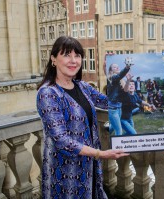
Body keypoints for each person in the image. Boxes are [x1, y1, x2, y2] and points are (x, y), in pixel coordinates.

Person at [36, 36, 129, 199]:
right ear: (53, 59)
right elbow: (61, 140)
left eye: (77, 55)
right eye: (66, 55)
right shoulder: (48, 93)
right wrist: (101, 154)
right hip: (65, 173)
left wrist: (109, 76)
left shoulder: (82, 86)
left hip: (89, 168)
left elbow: (111, 102)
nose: (73, 60)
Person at [106, 59, 133, 136]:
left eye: (118, 67)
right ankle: (117, 147)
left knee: (113, 127)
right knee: (119, 130)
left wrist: (128, 80)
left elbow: (125, 90)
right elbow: (119, 75)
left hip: (119, 107)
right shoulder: (112, 78)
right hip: (112, 109)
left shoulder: (120, 80)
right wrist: (127, 67)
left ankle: (105, 133)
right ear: (111, 70)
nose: (117, 68)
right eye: (114, 67)